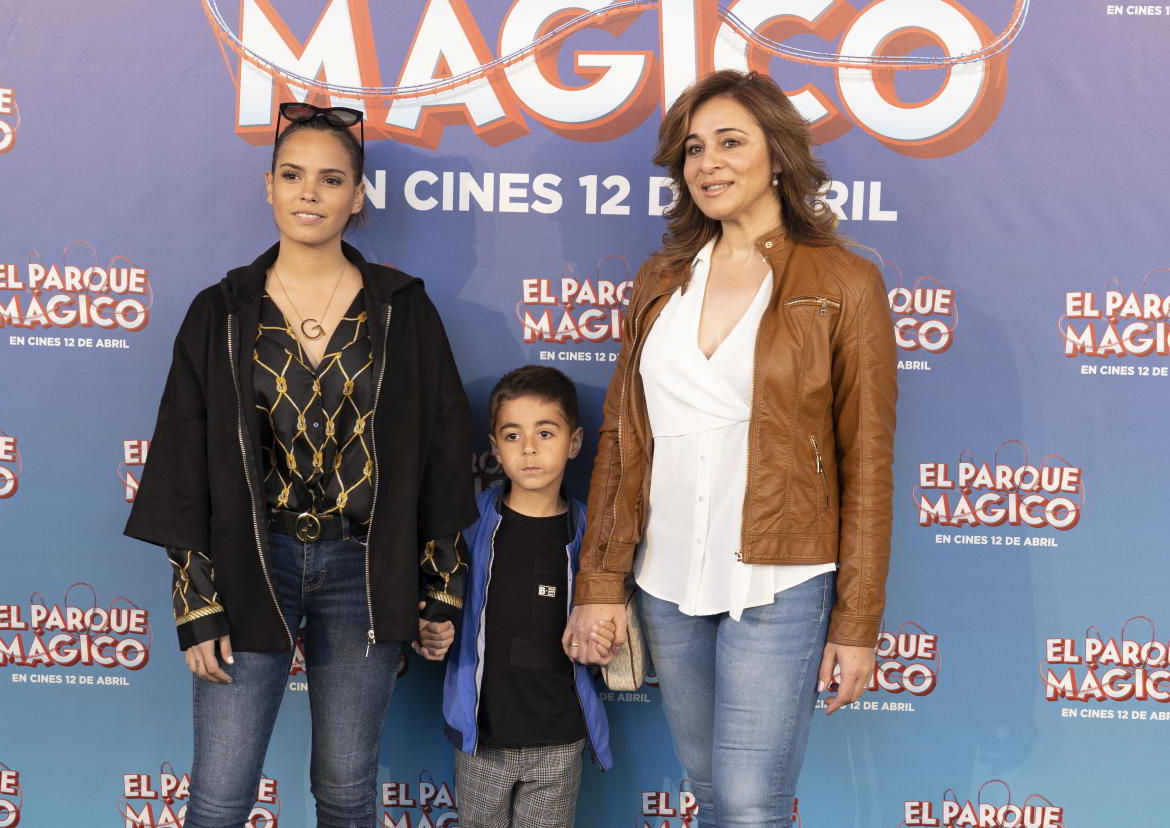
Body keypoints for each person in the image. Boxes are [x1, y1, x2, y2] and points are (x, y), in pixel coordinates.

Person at [123, 101, 477, 828]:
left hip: (363, 568)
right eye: (292, 174)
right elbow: (184, 460)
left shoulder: (404, 311)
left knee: (347, 792)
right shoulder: (219, 312)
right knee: (219, 796)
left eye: (330, 178)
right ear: (269, 187)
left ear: (357, 196)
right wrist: (196, 602)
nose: (309, 192)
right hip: (253, 561)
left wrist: (442, 587)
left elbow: (442, 451)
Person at [563, 70, 898, 827]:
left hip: (781, 575)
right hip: (666, 575)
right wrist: (601, 580)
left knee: (749, 805)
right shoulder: (660, 279)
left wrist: (856, 624)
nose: (707, 163)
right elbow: (620, 438)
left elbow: (868, 463)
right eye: (692, 149)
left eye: (730, 142)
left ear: (777, 155)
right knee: (711, 794)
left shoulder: (846, 282)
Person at [442, 365, 613, 828]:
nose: (530, 448)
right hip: (484, 737)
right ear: (495, 448)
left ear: (574, 442)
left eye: (545, 432)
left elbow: (607, 624)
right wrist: (431, 628)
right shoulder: (469, 523)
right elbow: (440, 602)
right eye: (513, 435)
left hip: (559, 737)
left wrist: (604, 643)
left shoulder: (590, 534)